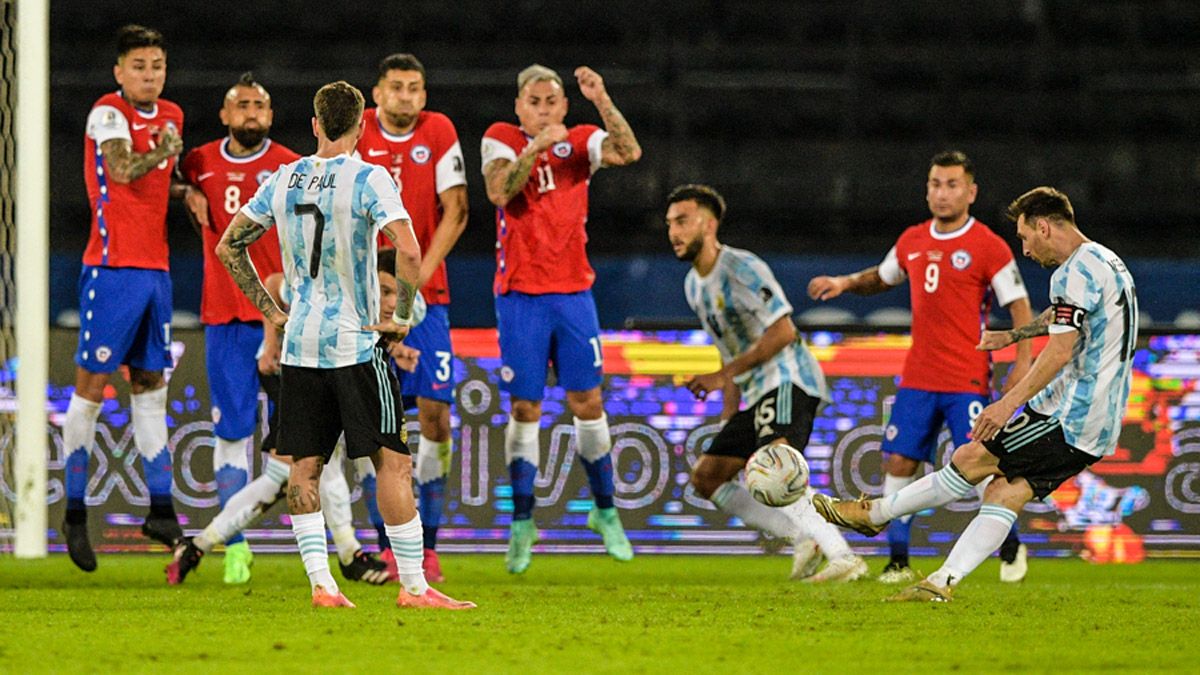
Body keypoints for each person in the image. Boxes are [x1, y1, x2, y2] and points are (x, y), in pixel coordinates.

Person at [216, 80, 473, 609]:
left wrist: (271, 311)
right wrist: (401, 316)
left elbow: (229, 246)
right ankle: (414, 588)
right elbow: (406, 247)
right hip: (354, 345)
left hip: (299, 348)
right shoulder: (368, 177)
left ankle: (321, 585)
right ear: (361, 127)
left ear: (314, 125)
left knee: (304, 467)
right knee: (392, 463)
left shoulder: (283, 179)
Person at [814, 186, 1137, 601]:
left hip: (1070, 415)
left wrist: (1005, 404)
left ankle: (874, 514)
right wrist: (1015, 334)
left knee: (970, 458)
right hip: (1096, 421)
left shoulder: (1071, 271)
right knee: (1007, 491)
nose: (1025, 248)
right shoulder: (1106, 261)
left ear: (1043, 226)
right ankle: (941, 584)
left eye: (1024, 237)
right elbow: (1067, 318)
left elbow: (1059, 351)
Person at [806, 151, 1035, 583]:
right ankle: (898, 562)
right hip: (917, 377)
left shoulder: (988, 245)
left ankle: (1010, 547)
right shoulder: (913, 239)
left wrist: (1022, 363)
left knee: (980, 466)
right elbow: (883, 276)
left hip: (967, 377)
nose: (941, 192)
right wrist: (844, 283)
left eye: (951, 184)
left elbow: (1020, 307)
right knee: (898, 464)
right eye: (934, 184)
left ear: (971, 192)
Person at [480, 64, 641, 573]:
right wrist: (535, 146)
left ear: (565, 106)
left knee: (587, 401)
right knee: (526, 408)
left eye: (553, 100)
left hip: (573, 292)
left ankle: (605, 510)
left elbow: (628, 152)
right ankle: (523, 523)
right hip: (520, 295)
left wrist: (602, 98)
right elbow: (501, 192)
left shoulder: (580, 140)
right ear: (519, 107)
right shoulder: (501, 139)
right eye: (534, 100)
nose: (545, 108)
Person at [667, 184, 867, 583]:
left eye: (683, 221)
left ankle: (843, 556)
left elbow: (783, 332)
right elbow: (728, 352)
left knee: (778, 463)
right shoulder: (693, 286)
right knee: (708, 477)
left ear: (709, 224)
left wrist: (722, 377)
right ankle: (801, 535)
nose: (674, 231)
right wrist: (729, 411)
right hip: (756, 391)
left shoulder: (741, 268)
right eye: (670, 223)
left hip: (790, 377)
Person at [62, 24, 191, 571]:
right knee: (92, 389)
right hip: (111, 268)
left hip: (156, 270)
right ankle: (73, 514)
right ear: (120, 72)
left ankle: (161, 510)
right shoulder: (107, 112)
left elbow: (162, 182)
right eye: (139, 65)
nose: (149, 75)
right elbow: (120, 168)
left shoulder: (174, 116)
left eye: (157, 65)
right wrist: (162, 148)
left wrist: (191, 190)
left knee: (150, 385)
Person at [355, 53, 468, 583]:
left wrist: (416, 277)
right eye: (396, 87)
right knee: (376, 422)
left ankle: (429, 545)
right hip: (362, 300)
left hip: (429, 298)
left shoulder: (439, 129)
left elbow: (458, 209)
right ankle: (384, 545)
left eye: (415, 88)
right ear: (377, 94)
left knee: (436, 418)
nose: (406, 96)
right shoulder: (355, 133)